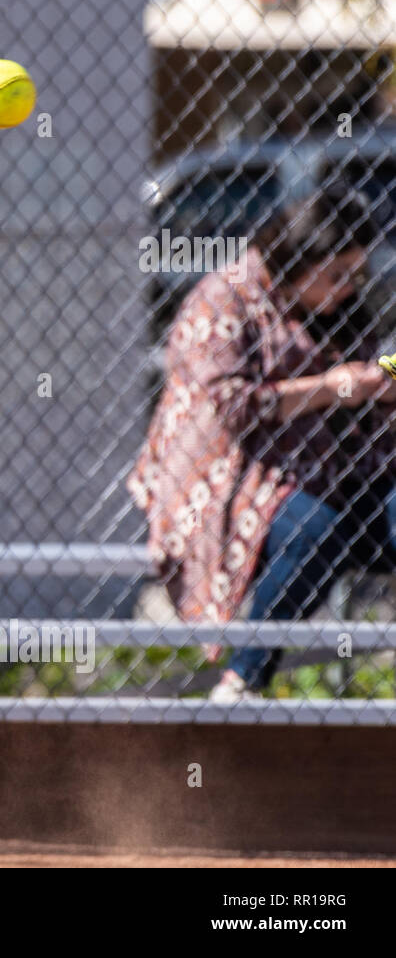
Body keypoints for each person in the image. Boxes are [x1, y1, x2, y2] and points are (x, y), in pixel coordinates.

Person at [128, 188, 396, 702]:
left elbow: (359, 388)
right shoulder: (223, 299)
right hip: (236, 472)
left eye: (356, 274)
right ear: (299, 258)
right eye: (338, 274)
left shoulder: (337, 309)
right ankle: (242, 681)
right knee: (318, 528)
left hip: (333, 467)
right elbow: (230, 407)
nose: (349, 287)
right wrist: (331, 387)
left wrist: (379, 385)